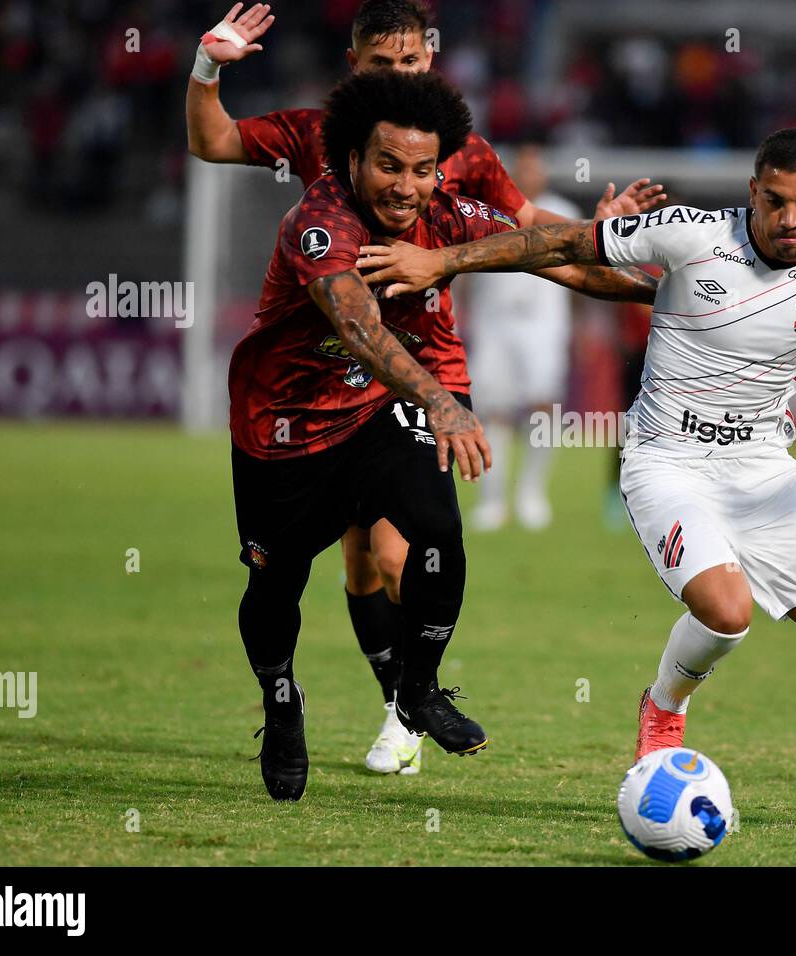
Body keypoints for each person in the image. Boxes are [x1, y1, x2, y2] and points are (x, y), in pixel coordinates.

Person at [358, 128, 796, 829]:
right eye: (774, 200)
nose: (788, 219)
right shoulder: (691, 233)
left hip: (764, 472)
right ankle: (664, 706)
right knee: (727, 611)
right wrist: (440, 259)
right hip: (667, 460)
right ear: (753, 191)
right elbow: (563, 245)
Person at [186, 0, 665, 775]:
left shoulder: (455, 161)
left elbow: (535, 237)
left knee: (417, 542)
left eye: (414, 62)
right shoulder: (317, 199)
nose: (409, 183)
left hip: (408, 373)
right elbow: (354, 322)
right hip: (295, 403)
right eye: (386, 63)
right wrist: (209, 67)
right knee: (309, 576)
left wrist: (650, 272)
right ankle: (284, 700)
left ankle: (413, 695)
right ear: (355, 70)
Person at [461, 143, 581, 531]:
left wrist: (575, 329)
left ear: (543, 172)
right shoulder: (484, 211)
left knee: (542, 407)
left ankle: (531, 495)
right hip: (492, 323)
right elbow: (461, 272)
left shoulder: (564, 212)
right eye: (522, 168)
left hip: (545, 326)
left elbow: (583, 278)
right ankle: (493, 501)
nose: (529, 175)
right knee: (492, 409)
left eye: (535, 167)